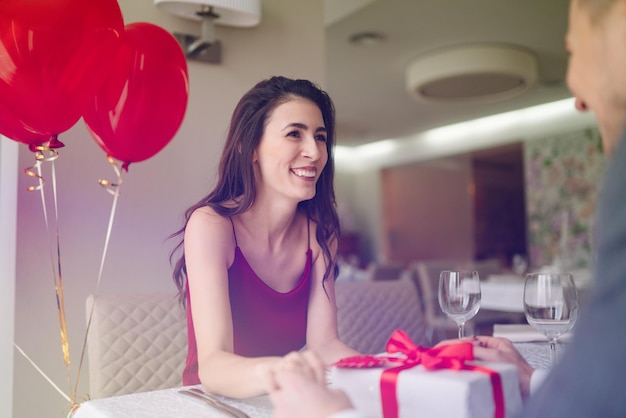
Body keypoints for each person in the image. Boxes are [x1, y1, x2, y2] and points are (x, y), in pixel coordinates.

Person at [263, 0, 626, 416]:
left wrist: (330, 413)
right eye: (294, 133)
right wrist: (530, 377)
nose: (574, 94)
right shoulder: (214, 226)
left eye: (572, 51)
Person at [169, 76, 358, 398]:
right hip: (215, 402)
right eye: (294, 134)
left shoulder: (321, 233)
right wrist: (282, 371)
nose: (314, 151)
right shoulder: (212, 226)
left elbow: (325, 345)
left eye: (321, 137)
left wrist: (395, 369)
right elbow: (213, 364)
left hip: (282, 395)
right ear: (249, 146)